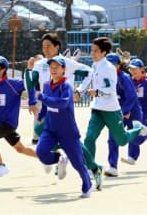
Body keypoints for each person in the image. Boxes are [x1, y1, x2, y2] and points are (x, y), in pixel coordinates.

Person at [25, 33, 103, 190]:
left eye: (48, 46)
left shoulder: (68, 64)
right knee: (41, 130)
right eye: (43, 47)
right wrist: (32, 100)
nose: (45, 49)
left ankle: (92, 167)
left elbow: (89, 72)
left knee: (72, 142)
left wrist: (79, 91)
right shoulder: (40, 65)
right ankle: (59, 160)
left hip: (63, 107)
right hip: (47, 107)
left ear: (57, 47)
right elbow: (32, 82)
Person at [78, 37, 147, 173]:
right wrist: (79, 92)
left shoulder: (109, 69)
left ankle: (138, 129)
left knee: (122, 140)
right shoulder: (94, 65)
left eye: (95, 51)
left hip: (111, 110)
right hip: (97, 109)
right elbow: (87, 80)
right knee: (89, 138)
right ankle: (91, 169)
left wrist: (97, 92)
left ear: (103, 52)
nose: (92, 53)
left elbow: (110, 91)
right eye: (92, 50)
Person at [35, 56, 93, 198]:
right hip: (50, 129)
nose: (53, 70)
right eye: (51, 67)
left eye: (57, 67)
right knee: (41, 152)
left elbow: (62, 103)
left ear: (63, 70)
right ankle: (60, 159)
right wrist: (42, 114)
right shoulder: (47, 85)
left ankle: (87, 184)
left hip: (67, 131)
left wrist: (42, 97)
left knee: (78, 163)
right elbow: (47, 105)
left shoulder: (66, 86)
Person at [0, 56, 37, 177]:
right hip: (0, 125)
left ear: (3, 69)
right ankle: (50, 158)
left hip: (9, 124)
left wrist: (32, 102)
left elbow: (30, 85)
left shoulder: (13, 84)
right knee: (21, 149)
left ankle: (1, 166)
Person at [103, 53, 142, 177]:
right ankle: (113, 166)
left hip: (132, 110)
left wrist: (125, 111)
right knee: (112, 138)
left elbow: (132, 97)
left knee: (138, 137)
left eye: (112, 65)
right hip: (117, 111)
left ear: (119, 65)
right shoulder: (106, 78)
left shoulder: (124, 78)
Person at [29, 54, 43, 144]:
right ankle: (35, 137)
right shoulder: (33, 72)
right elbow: (30, 85)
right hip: (37, 94)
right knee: (37, 117)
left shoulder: (46, 69)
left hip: (46, 94)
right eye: (38, 60)